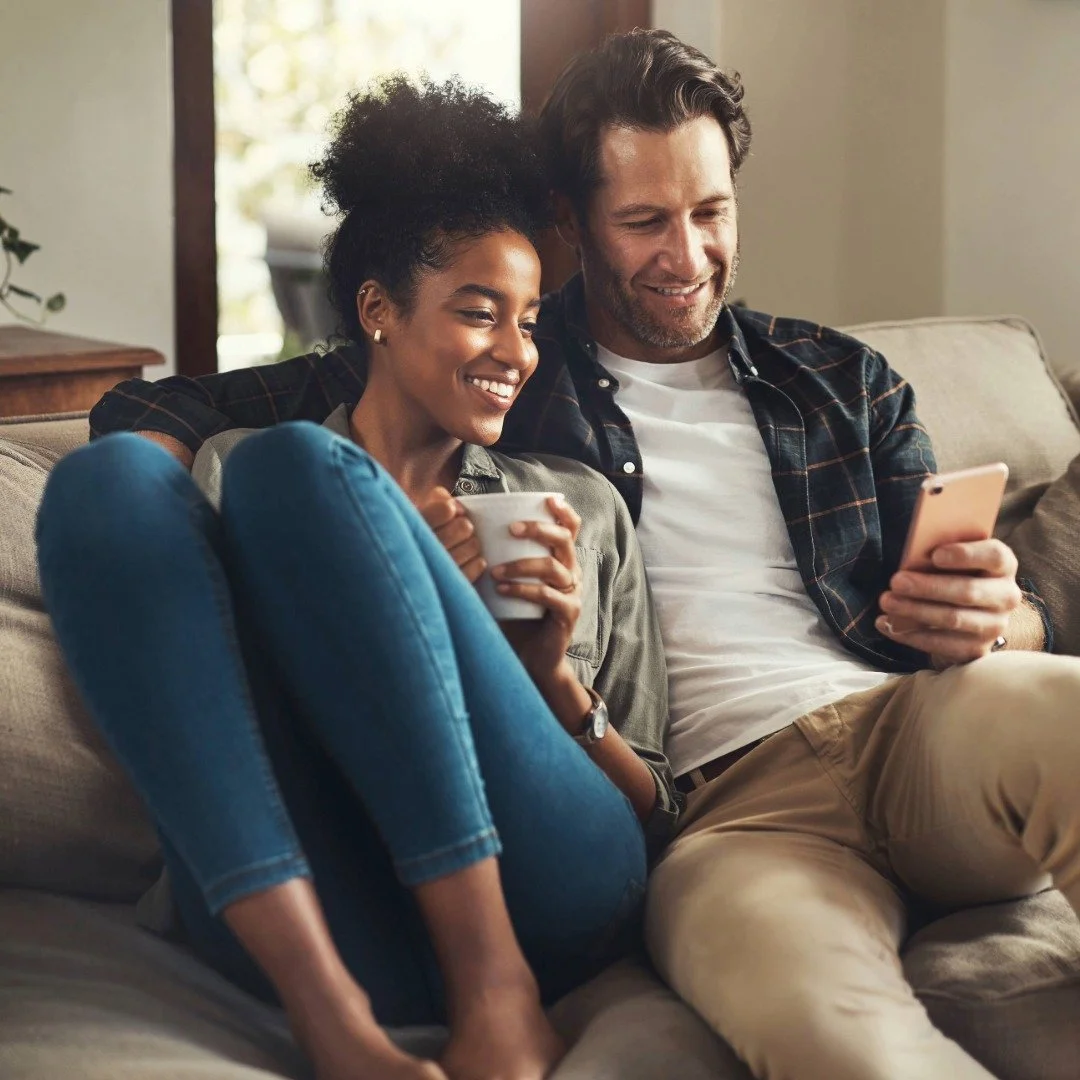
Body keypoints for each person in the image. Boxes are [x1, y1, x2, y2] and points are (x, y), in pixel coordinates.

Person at [83, 28, 1080, 1080]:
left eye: (710, 213)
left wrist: (1002, 616)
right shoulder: (496, 359)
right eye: (645, 222)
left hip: (914, 727)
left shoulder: (838, 377)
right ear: (572, 221)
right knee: (840, 1048)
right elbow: (164, 408)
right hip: (725, 823)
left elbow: (986, 594)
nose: (687, 257)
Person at [36, 77, 680, 1080]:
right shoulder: (236, 472)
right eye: (480, 314)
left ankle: (495, 990)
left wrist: (549, 678)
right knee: (107, 480)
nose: (516, 353)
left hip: (545, 886)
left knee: (297, 467)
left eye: (528, 322)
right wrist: (374, 567)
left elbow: (656, 814)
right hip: (334, 912)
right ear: (378, 310)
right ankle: (331, 1021)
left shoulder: (579, 505)